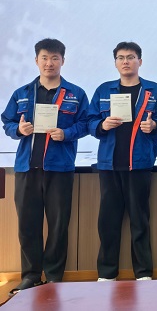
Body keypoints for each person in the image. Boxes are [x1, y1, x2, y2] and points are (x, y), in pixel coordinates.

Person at [1, 38, 89, 295]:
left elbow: (86, 123)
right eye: (44, 58)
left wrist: (67, 133)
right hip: (27, 169)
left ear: (63, 61)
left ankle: (53, 277)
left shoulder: (75, 94)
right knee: (28, 225)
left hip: (59, 169)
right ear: (36, 61)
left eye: (54, 58)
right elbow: (7, 122)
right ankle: (30, 275)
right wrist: (18, 129)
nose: (49, 63)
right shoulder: (22, 93)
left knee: (58, 225)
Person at [88, 41, 157, 281]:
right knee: (108, 222)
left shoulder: (153, 90)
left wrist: (154, 126)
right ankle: (106, 273)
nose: (126, 62)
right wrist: (102, 125)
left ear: (140, 61)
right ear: (115, 63)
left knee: (140, 221)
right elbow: (89, 122)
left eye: (130, 57)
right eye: (121, 58)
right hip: (109, 165)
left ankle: (143, 273)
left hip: (139, 164)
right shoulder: (104, 90)